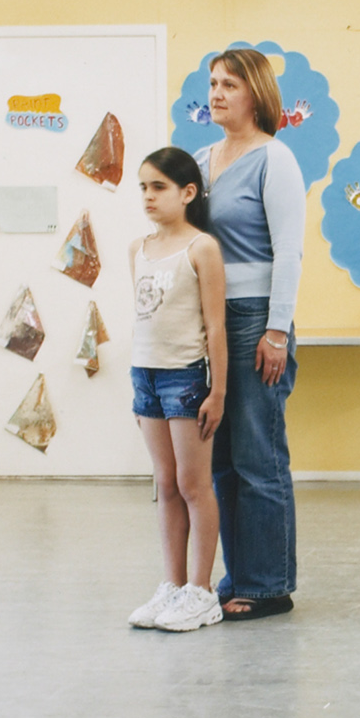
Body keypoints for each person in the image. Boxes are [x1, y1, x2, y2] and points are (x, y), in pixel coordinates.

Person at [199, 48, 305, 621]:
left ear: (256, 93)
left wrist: (277, 330)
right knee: (221, 458)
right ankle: (239, 574)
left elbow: (289, 250)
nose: (216, 93)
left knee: (258, 456)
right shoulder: (200, 159)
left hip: (256, 321)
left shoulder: (275, 159)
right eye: (212, 83)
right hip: (210, 323)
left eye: (230, 84)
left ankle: (269, 585)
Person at [127, 146, 231, 633]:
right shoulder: (138, 249)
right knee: (164, 484)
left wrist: (218, 392)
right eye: (143, 187)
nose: (148, 196)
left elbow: (215, 328)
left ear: (188, 193)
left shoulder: (201, 248)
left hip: (185, 380)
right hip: (144, 376)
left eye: (159, 187)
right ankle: (171, 586)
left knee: (193, 485)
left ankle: (201, 591)